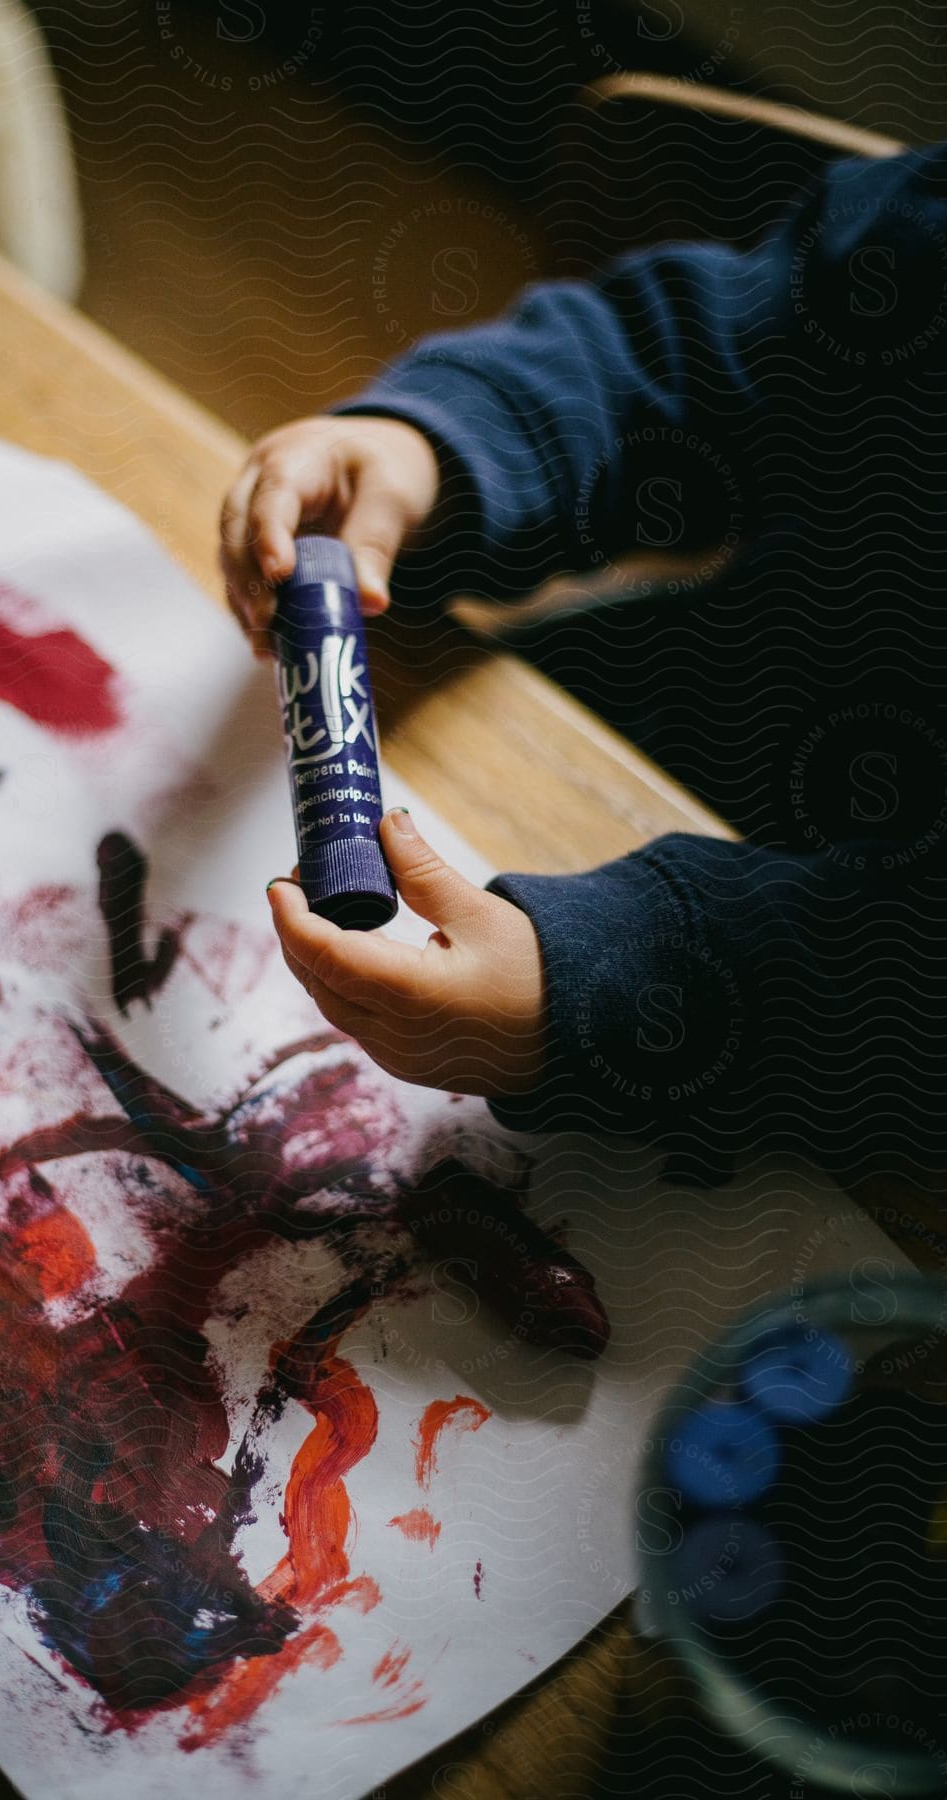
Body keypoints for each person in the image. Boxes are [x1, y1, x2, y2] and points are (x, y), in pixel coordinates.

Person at [220, 144, 947, 1187]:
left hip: (832, 1039)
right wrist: (443, 446)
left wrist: (619, 994)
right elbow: (702, 351)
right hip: (671, 689)